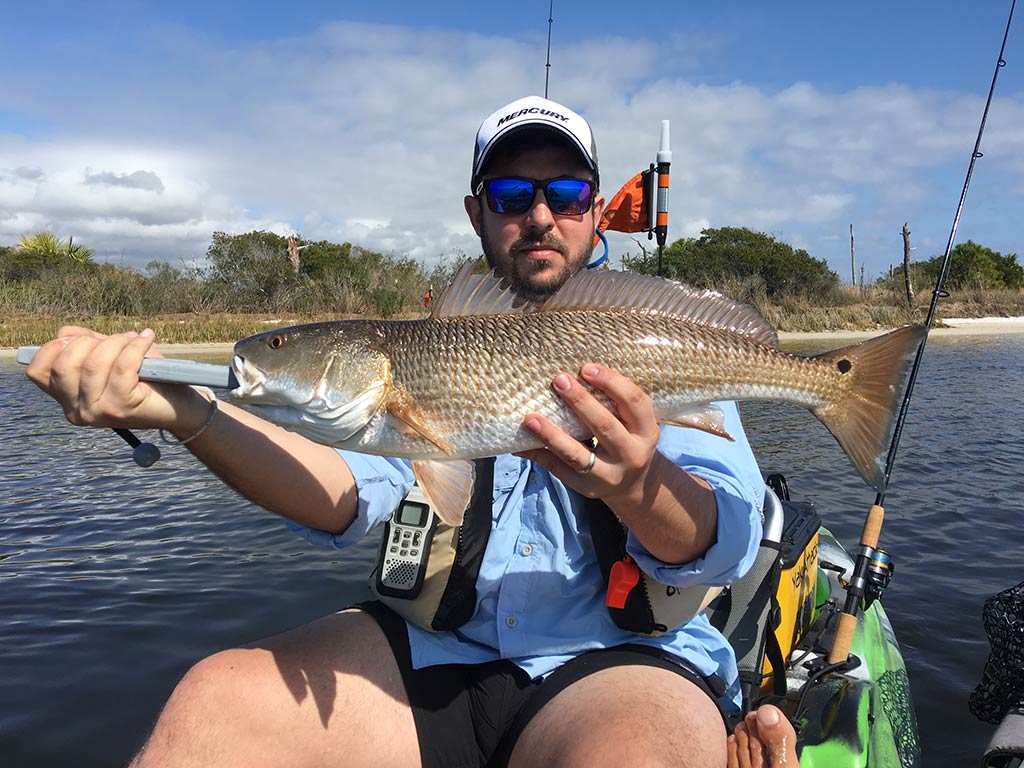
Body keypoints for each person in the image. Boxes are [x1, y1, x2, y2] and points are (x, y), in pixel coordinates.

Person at [26, 94, 797, 768]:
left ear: (595, 212)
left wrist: (637, 484)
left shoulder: (647, 338)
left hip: (619, 665)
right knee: (213, 700)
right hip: (436, 651)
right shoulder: (420, 354)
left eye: (565, 194)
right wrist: (186, 411)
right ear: (476, 212)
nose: (538, 216)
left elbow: (725, 542)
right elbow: (340, 494)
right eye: (509, 192)